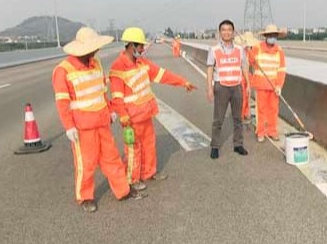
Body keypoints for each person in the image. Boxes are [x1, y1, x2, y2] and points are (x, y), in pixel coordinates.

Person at [52, 27, 147, 213]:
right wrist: (68, 126)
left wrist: (110, 109)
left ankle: (123, 191)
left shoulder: (96, 63)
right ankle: (85, 197)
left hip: (102, 122)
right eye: (93, 49)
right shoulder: (63, 70)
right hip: (82, 127)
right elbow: (62, 102)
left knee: (112, 159)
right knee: (85, 164)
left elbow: (102, 90)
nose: (96, 51)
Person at [109, 27, 196, 188]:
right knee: (133, 149)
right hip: (131, 117)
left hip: (146, 113)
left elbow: (163, 75)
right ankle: (133, 179)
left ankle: (149, 173)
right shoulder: (118, 68)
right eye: (140, 46)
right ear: (131, 45)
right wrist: (122, 115)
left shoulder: (142, 63)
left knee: (149, 144)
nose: (142, 49)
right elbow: (117, 97)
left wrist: (183, 82)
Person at [206, 19, 250, 159]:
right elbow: (209, 69)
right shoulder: (214, 50)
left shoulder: (239, 49)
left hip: (236, 86)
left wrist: (248, 83)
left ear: (233, 32)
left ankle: (238, 145)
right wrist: (209, 87)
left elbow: (244, 66)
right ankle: (215, 146)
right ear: (220, 32)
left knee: (238, 118)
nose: (226, 32)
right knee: (218, 119)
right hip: (221, 87)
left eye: (229, 30)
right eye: (223, 30)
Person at [249, 24, 287, 142]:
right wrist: (249, 54)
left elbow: (281, 70)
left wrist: (279, 85)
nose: (272, 37)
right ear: (266, 36)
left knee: (273, 110)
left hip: (274, 87)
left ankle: (272, 131)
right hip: (261, 85)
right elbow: (248, 62)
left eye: (274, 35)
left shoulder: (279, 51)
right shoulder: (257, 48)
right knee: (261, 110)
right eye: (270, 35)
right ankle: (260, 132)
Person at [234, 31, 258, 125]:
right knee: (242, 96)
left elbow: (253, 64)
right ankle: (241, 115)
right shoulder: (239, 51)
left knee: (247, 96)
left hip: (247, 76)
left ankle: (246, 113)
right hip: (240, 76)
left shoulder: (250, 52)